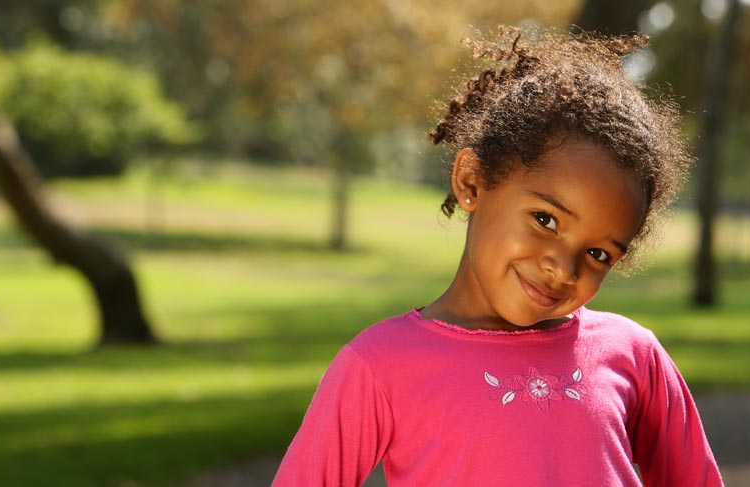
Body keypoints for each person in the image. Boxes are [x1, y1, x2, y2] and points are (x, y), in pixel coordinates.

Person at [273, 27, 723, 486]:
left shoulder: (634, 356)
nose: (562, 269)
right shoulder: (379, 365)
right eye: (545, 219)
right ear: (472, 182)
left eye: (597, 253)